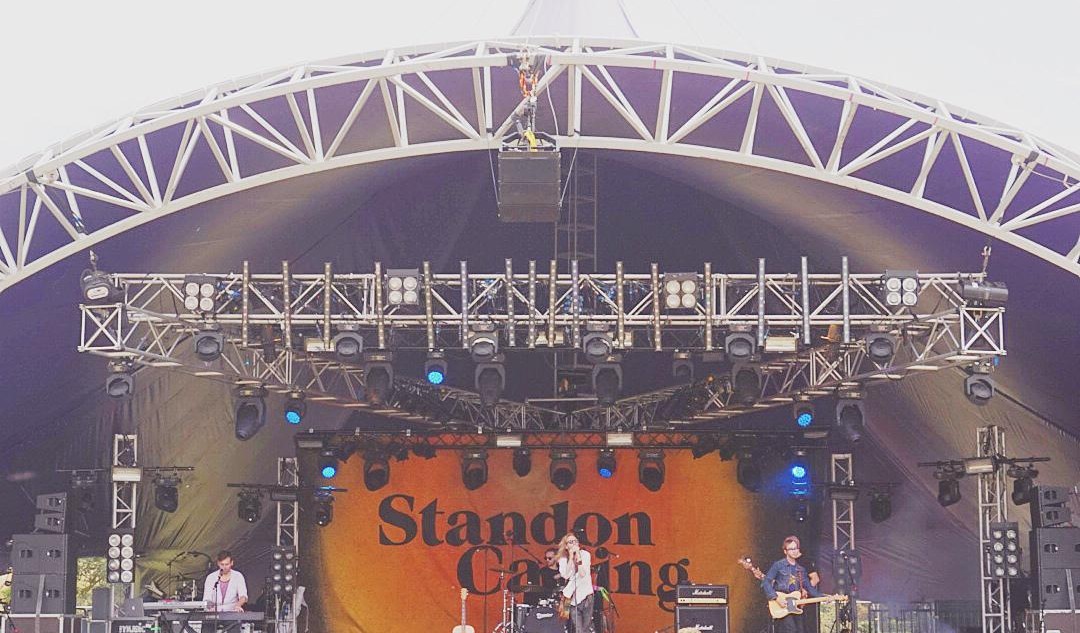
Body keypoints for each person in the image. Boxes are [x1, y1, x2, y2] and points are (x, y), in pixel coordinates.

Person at [761, 536, 823, 633]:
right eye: (791, 549)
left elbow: (809, 588)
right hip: (782, 602)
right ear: (785, 551)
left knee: (800, 630)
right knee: (790, 629)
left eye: (796, 548)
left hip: (795, 604)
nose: (794, 551)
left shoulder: (801, 569)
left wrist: (825, 597)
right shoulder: (778, 565)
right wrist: (776, 598)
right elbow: (766, 582)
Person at [557, 533, 595, 633]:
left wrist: (578, 556)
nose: (574, 543)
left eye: (575, 541)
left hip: (586, 595)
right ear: (566, 546)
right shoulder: (563, 559)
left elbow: (582, 574)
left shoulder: (585, 554)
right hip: (571, 597)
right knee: (578, 629)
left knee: (586, 628)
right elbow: (566, 575)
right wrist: (570, 557)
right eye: (571, 542)